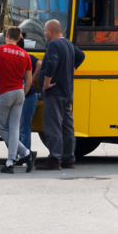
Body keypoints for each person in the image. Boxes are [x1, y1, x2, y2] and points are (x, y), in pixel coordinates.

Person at [37, 19, 86, 170]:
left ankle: (54, 160)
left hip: (54, 92)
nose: (44, 34)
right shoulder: (68, 44)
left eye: (45, 31)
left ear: (51, 31)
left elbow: (51, 62)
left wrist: (46, 82)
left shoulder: (53, 44)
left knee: (53, 126)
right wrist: (70, 68)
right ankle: (69, 159)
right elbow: (81, 56)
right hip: (67, 92)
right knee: (67, 127)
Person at [0, 26, 36, 174]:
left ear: (7, 35)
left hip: (4, 92)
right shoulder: (25, 55)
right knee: (15, 127)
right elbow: (29, 81)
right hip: (20, 93)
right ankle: (11, 161)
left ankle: (25, 153)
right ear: (20, 38)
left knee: (1, 128)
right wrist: (23, 92)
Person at [16, 27, 43, 155]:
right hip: (22, 95)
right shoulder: (26, 56)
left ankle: (24, 155)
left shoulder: (24, 56)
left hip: (27, 95)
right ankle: (20, 154)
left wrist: (31, 80)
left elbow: (40, 64)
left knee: (23, 127)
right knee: (19, 127)